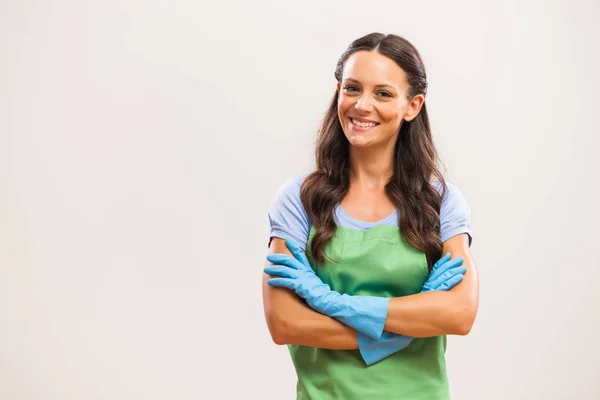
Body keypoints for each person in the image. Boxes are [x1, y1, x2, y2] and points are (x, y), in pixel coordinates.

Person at [262, 32, 479, 400]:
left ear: (412, 106)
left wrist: (329, 301)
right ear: (338, 93)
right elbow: (285, 323)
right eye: (352, 88)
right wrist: (404, 326)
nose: (362, 105)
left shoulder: (440, 202)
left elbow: (458, 313)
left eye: (383, 93)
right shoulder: (300, 200)